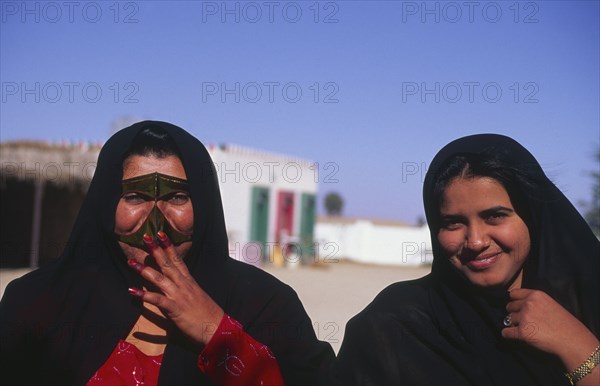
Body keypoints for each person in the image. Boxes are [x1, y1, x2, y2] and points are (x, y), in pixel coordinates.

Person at [0, 121, 334, 385]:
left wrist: (217, 333)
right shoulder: (37, 302)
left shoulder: (264, 305)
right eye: (134, 197)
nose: (156, 225)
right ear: (104, 205)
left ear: (203, 204)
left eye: (176, 198)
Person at [332, 134, 599, 385]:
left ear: (531, 216)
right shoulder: (394, 326)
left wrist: (576, 347)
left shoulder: (586, 303)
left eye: (494, 216)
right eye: (453, 222)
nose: (475, 241)